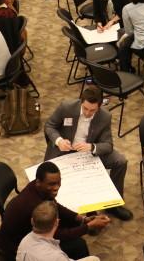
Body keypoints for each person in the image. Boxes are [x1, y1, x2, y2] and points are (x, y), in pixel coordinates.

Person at [44, 86, 132, 220]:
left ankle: (113, 204)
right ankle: (83, 214)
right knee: (49, 175)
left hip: (88, 151)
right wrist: (59, 140)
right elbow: (50, 125)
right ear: (81, 102)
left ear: (99, 106)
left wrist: (91, 147)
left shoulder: (105, 116)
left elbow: (108, 145)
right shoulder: (66, 107)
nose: (87, 113)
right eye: (85, 108)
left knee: (120, 161)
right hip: (64, 150)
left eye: (92, 110)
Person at [0, 161, 110, 258]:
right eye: (51, 184)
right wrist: (88, 227)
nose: (56, 187)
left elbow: (55, 205)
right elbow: (57, 234)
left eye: (58, 182)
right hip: (17, 248)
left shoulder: (36, 187)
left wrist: (82, 219)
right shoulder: (35, 208)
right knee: (79, 245)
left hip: (33, 229)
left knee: (73, 222)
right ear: (39, 182)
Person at [15, 199, 101, 261]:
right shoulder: (56, 257)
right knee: (95, 259)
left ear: (32, 221)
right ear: (57, 222)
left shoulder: (24, 242)